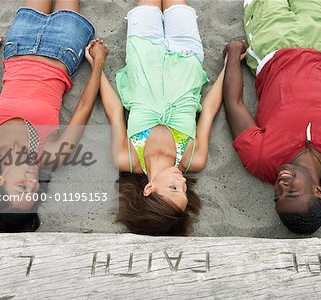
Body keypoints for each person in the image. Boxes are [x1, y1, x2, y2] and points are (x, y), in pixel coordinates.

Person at [223, 0, 321, 234]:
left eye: (277, 196)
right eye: (292, 191)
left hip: (273, 46)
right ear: (318, 191)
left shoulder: (261, 159)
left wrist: (232, 59)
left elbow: (234, 104)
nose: (281, 185)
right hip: (320, 47)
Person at [86, 0, 225, 236]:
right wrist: (228, 67)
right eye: (183, 190)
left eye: (173, 188)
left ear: (149, 189)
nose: (182, 182)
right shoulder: (193, 159)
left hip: (143, 53)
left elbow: (114, 110)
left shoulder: (127, 158)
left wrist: (96, 66)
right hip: (186, 56)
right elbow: (209, 108)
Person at [0, 0, 108, 232]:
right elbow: (84, 107)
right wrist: (98, 65)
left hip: (17, 46)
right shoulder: (50, 155)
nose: (33, 183)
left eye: (23, 187)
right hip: (62, 50)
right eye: (34, 192)